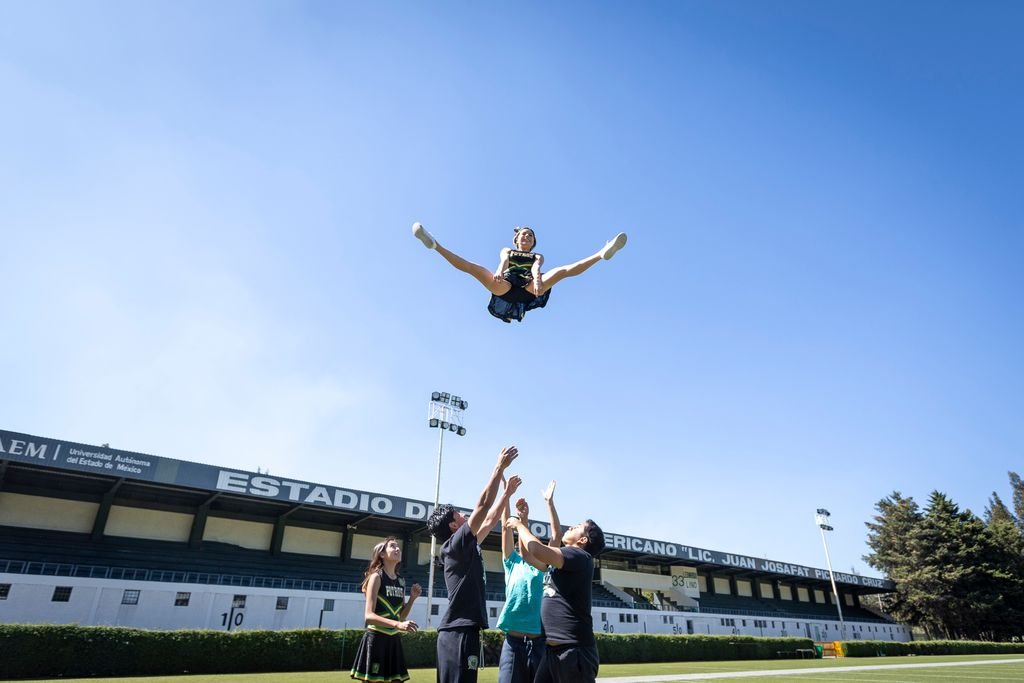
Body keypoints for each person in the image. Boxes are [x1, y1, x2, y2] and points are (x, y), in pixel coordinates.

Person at [426, 446, 520, 682]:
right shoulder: (454, 545)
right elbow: (483, 507)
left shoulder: (466, 545)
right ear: (453, 526)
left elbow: (489, 519)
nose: (466, 516)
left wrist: (506, 495)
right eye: (460, 516)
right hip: (456, 632)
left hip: (464, 631)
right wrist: (498, 468)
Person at [411, 222, 628, 323]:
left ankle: (602, 253)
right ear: (516, 239)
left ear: (533, 243)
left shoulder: (537, 256)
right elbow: (504, 261)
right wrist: (497, 273)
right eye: (523, 235)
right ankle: (434, 244)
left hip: (529, 288)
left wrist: (537, 281)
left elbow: (536, 268)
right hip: (505, 286)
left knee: (561, 272)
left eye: (530, 236)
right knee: (475, 269)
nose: (526, 237)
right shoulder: (507, 250)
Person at [504, 514, 605, 683]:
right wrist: (523, 520)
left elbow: (536, 549)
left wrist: (519, 525)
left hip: (574, 651)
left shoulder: (580, 556)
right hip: (553, 651)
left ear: (583, 541)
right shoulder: (564, 561)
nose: (572, 526)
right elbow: (529, 556)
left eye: (578, 526)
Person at [496, 480, 562, 683]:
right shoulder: (512, 562)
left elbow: (556, 535)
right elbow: (505, 526)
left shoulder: (545, 566)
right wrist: (506, 494)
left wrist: (549, 503)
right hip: (513, 643)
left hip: (539, 643)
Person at [350, 537, 422, 683]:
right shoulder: (376, 577)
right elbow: (369, 616)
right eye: (392, 546)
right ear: (382, 554)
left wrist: (412, 599)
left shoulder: (401, 581)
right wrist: (397, 625)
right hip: (376, 639)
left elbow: (400, 617)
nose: (398, 549)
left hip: (393, 640)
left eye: (398, 547)